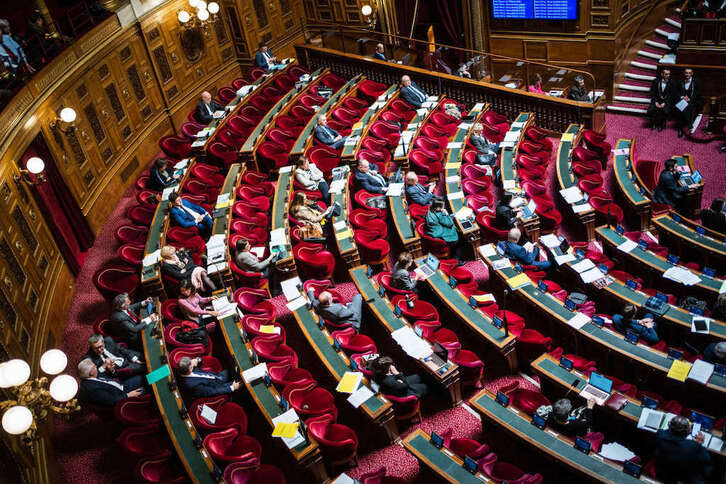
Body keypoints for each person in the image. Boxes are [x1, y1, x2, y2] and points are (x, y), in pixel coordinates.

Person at [654, 415, 711, 484]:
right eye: (689, 430)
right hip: (682, 477)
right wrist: (699, 444)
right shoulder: (694, 447)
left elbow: (664, 432)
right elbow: (706, 460)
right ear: (686, 432)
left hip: (662, 471)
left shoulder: (660, 435)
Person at [77, 358, 145, 406]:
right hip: (123, 395)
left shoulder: (90, 377)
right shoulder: (94, 390)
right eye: (95, 366)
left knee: (143, 377)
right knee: (148, 388)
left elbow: (100, 372)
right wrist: (129, 395)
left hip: (122, 386)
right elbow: (112, 401)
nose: (96, 367)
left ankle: (156, 374)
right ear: (91, 372)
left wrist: (107, 367)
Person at [675, 68, 701, 138]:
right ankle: (683, 127)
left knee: (684, 107)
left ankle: (685, 126)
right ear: (684, 73)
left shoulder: (696, 81)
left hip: (692, 101)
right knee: (680, 108)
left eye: (689, 73)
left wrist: (689, 99)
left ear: (692, 73)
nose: (688, 74)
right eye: (686, 73)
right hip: (682, 100)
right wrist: (682, 97)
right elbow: (676, 92)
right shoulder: (680, 81)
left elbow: (697, 93)